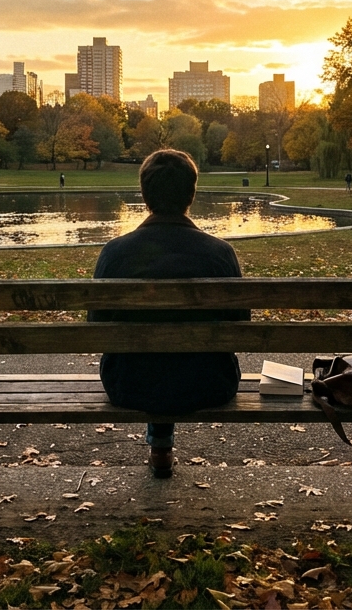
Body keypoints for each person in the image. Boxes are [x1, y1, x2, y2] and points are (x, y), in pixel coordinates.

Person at [90, 149, 247, 478]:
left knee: (152, 360)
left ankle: (160, 446)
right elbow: (239, 323)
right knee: (175, 360)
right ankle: (162, 446)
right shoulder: (220, 254)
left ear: (144, 194)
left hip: (128, 383)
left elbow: (97, 324)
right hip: (209, 383)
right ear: (192, 194)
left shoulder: (115, 253)